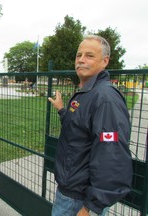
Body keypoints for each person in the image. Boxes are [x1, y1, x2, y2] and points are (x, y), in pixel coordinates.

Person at [48, 35, 132, 216]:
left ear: (105, 61)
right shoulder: (87, 92)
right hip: (68, 194)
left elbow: (112, 155)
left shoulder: (105, 98)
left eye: (89, 55)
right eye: (79, 55)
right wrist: (62, 110)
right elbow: (78, 130)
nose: (81, 60)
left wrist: (92, 207)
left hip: (80, 202)